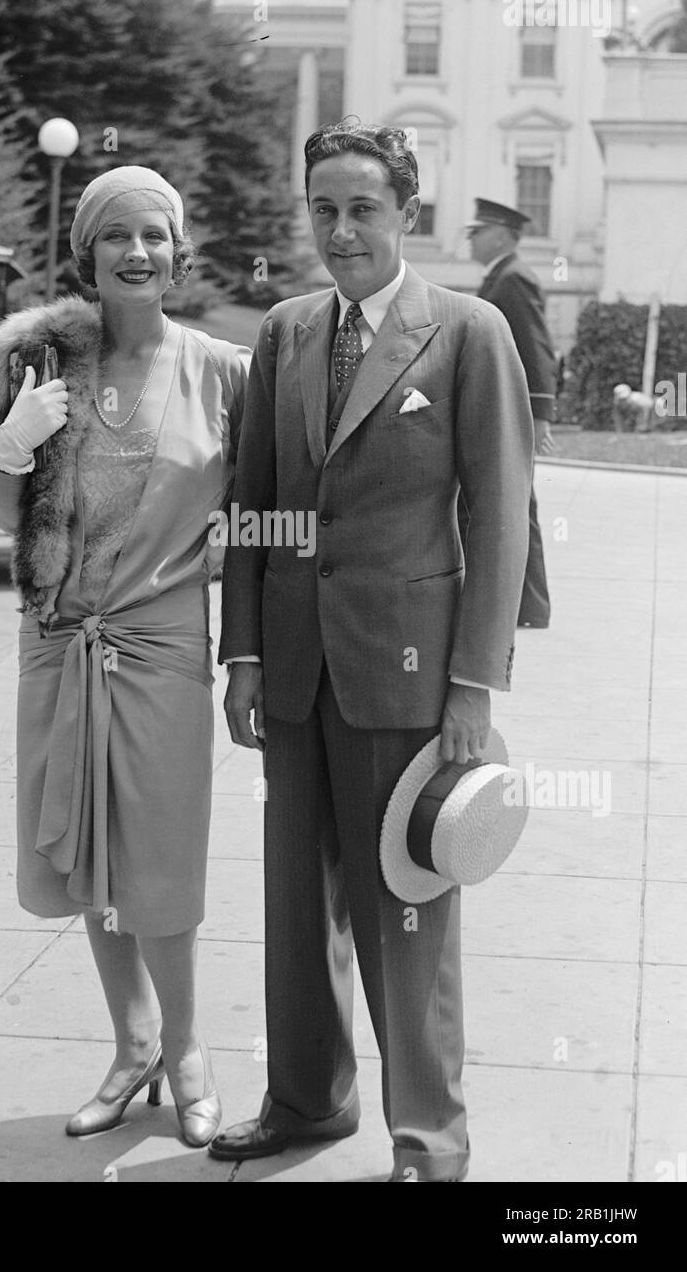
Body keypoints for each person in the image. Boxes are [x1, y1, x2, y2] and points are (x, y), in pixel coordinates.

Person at [210, 120, 533, 1183]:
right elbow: (253, 504)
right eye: (323, 209)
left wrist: (473, 685)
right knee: (296, 910)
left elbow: (499, 519)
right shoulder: (286, 331)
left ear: (405, 211)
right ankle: (305, 1102)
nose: (340, 229)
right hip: (297, 674)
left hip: (409, 675)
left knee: (408, 911)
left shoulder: (467, 330)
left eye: (361, 208)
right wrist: (244, 656)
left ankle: (428, 1141)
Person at [0, 166, 248, 1148]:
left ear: (178, 251)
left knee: (159, 862)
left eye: (154, 236)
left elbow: (271, 511)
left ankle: (190, 1048)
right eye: (115, 235)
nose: (135, 253)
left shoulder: (222, 372)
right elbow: (0, 517)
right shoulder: (41, 360)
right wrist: (11, 449)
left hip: (159, 647)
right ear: (87, 252)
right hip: (58, 639)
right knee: (86, 859)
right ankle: (133, 1046)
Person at [465, 198, 561, 629]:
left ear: (501, 235)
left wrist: (540, 412)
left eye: (478, 232)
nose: (471, 239)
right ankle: (525, 604)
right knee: (508, 503)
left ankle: (530, 606)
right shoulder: (502, 277)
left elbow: (535, 346)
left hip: (510, 409)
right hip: (500, 406)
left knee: (516, 504)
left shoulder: (513, 279)